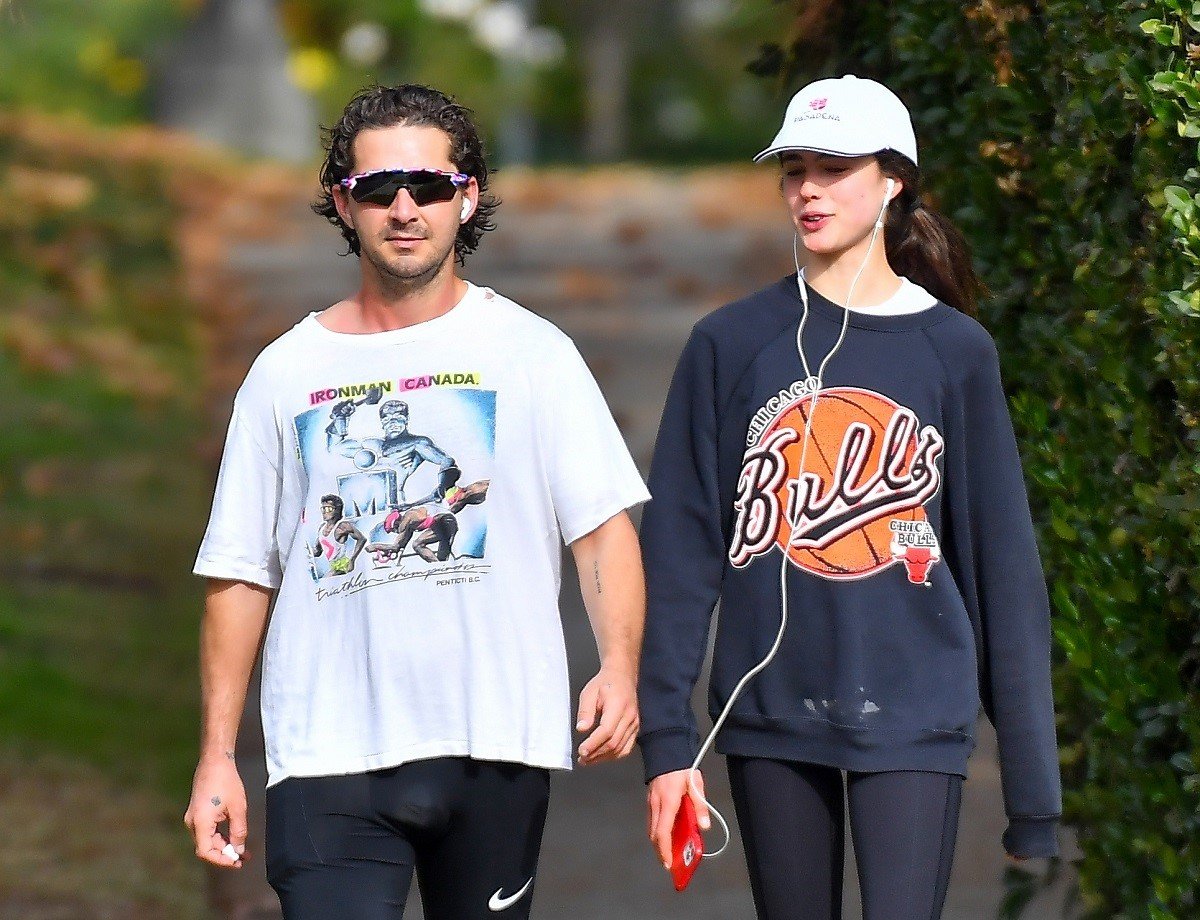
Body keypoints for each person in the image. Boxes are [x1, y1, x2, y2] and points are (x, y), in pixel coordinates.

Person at [184, 83, 649, 920]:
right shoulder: (285, 374)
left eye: (429, 187)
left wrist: (618, 667)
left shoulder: (534, 354)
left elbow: (601, 529)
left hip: (495, 743)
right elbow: (239, 572)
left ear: (466, 198)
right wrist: (217, 755)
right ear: (344, 202)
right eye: (378, 189)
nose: (405, 208)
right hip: (328, 755)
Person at [637, 75, 1061, 920]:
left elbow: (1001, 568)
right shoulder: (729, 345)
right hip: (769, 713)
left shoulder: (954, 351)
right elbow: (679, 557)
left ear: (893, 178)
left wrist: (1034, 794)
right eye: (794, 168)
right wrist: (668, 743)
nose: (808, 189)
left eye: (834, 167)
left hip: (915, 709)